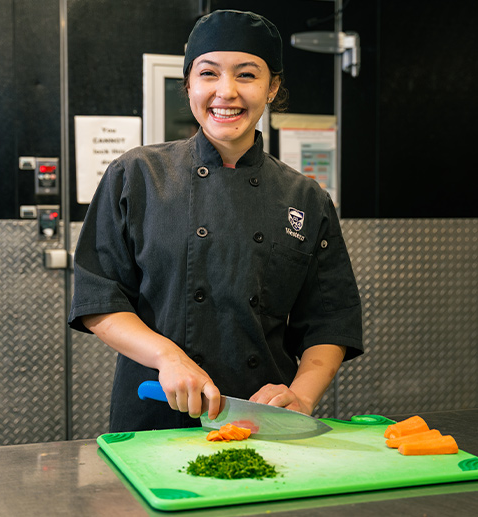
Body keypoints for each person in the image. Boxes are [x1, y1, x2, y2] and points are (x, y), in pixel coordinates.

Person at [68, 9, 363, 433]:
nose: (226, 92)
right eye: (209, 74)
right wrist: (168, 357)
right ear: (188, 84)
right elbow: (100, 300)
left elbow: (330, 319)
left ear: (272, 87)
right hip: (156, 419)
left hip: (263, 421)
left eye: (247, 75)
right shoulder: (137, 175)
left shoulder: (306, 198)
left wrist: (302, 394)